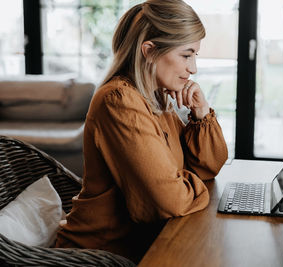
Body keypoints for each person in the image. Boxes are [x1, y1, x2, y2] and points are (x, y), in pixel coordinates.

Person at [55, 0, 228, 264]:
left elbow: (208, 167)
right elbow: (170, 202)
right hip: (99, 255)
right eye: (186, 55)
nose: (193, 69)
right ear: (149, 50)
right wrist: (185, 183)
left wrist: (201, 112)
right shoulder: (119, 101)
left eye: (195, 56)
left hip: (143, 244)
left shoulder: (158, 97)